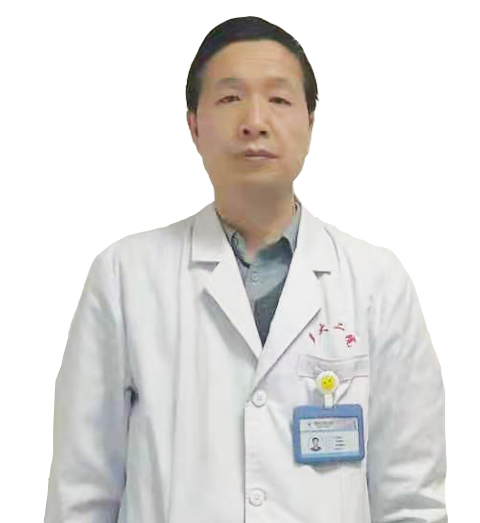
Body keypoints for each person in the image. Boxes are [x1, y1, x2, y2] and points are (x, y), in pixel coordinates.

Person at [44, 16, 447, 522]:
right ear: (194, 125)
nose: (255, 121)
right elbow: (81, 489)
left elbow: (412, 495)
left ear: (309, 122)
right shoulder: (127, 277)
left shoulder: (376, 285)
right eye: (230, 98)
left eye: (278, 99)